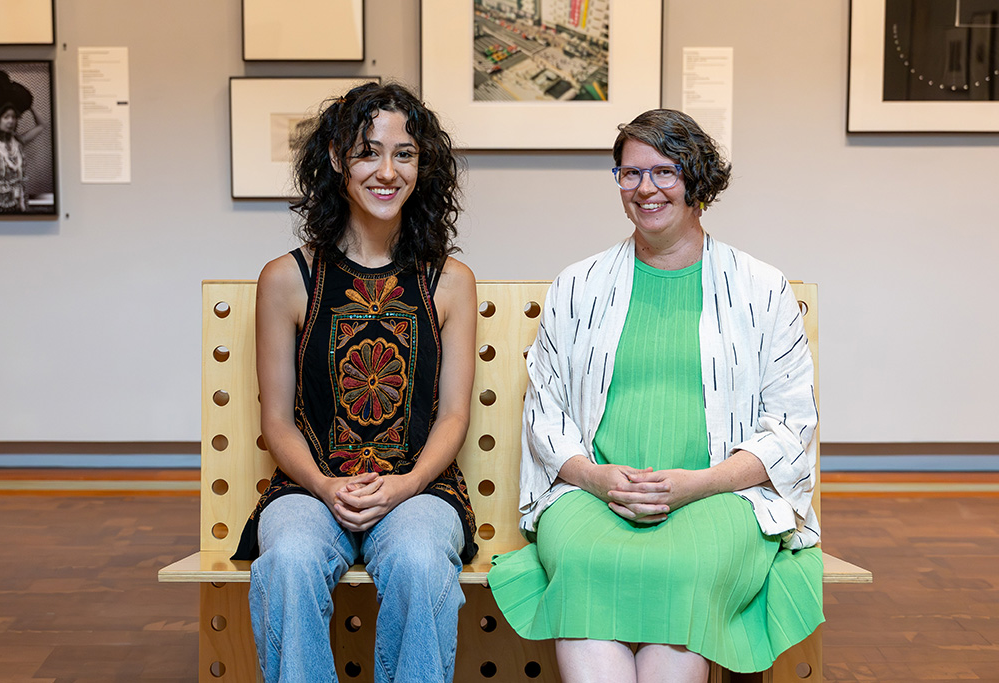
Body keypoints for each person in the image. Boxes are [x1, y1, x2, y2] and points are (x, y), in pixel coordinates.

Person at [488, 109, 824, 682]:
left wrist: (698, 484)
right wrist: (596, 478)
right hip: (593, 496)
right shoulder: (577, 285)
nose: (646, 188)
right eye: (630, 173)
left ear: (698, 180)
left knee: (685, 568)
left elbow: (791, 426)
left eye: (664, 171)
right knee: (586, 563)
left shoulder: (762, 288)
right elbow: (545, 410)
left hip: (722, 497)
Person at [232, 82, 478, 683]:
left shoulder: (450, 280)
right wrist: (323, 483)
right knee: (287, 560)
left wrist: (407, 484)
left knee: (421, 561)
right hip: (309, 487)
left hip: (420, 489)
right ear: (337, 160)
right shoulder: (286, 279)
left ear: (423, 165)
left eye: (404, 154)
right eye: (368, 152)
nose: (387, 171)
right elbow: (277, 421)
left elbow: (453, 415)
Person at [0, 70, 44, 213]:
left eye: (14, 117)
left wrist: (27, 104)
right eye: (6, 117)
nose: (11, 121)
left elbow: (41, 125)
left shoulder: (18, 142)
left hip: (19, 208)